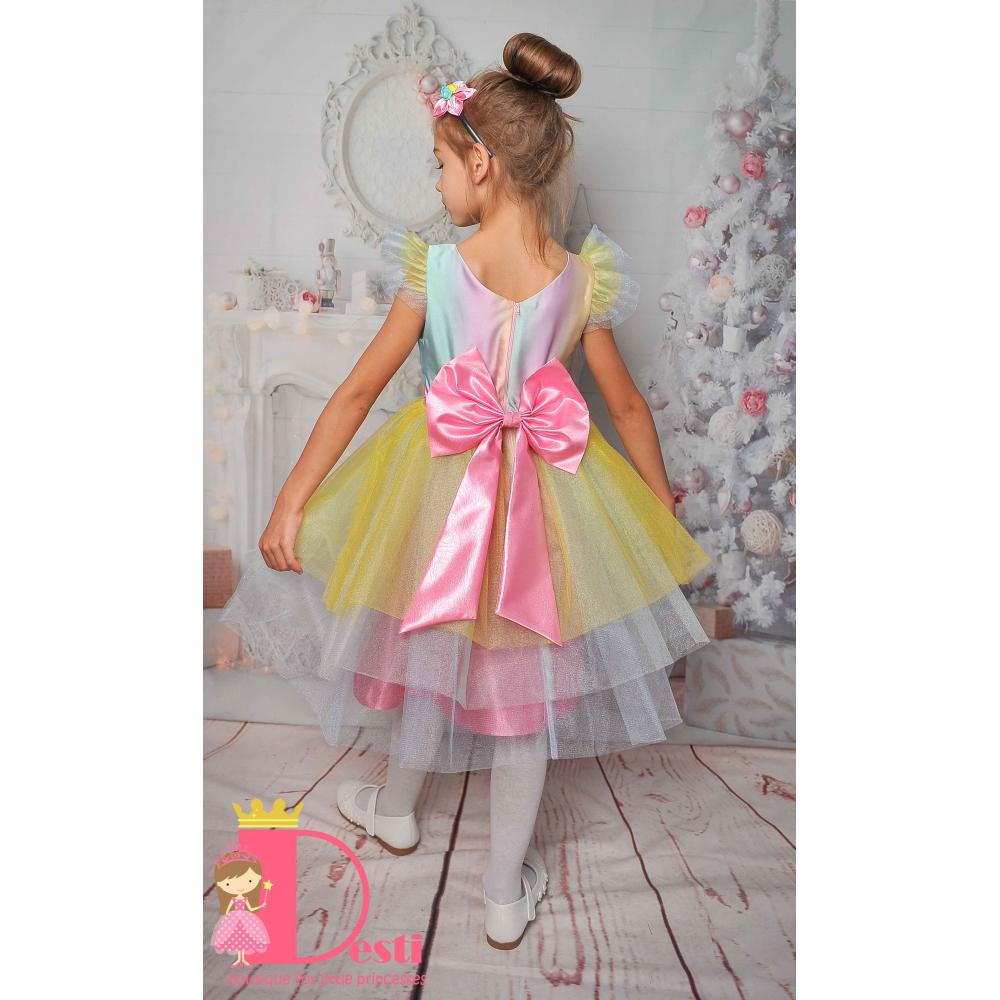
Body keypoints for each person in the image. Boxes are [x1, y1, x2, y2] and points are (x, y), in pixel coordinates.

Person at [219, 32, 711, 950]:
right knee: (523, 687)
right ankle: (500, 890)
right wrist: (656, 509)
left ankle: (397, 810)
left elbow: (357, 393)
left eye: (441, 165)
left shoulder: (438, 271)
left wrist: (292, 499)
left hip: (441, 493)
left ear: (481, 164)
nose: (439, 184)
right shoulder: (583, 279)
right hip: (547, 503)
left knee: (430, 651)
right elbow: (627, 407)